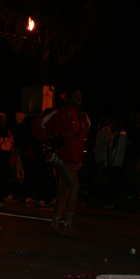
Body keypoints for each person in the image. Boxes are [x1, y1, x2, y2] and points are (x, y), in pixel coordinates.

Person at [33, 89, 90, 237]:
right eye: (75, 96)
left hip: (75, 158)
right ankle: (68, 224)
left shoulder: (83, 116)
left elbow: (85, 132)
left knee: (64, 191)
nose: (79, 99)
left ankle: (55, 224)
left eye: (80, 96)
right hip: (60, 156)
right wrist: (49, 141)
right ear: (67, 98)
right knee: (74, 186)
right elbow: (38, 126)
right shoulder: (57, 114)